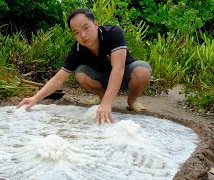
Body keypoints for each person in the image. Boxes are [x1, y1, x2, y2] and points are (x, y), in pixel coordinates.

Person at [17, 8, 152, 124]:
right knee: (80, 73)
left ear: (95, 24)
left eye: (86, 27)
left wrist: (107, 104)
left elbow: (118, 68)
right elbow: (58, 78)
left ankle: (131, 101)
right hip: (101, 79)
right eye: (76, 32)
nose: (82, 35)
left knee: (142, 70)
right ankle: (103, 97)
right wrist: (35, 98)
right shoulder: (77, 49)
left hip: (124, 75)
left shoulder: (113, 33)